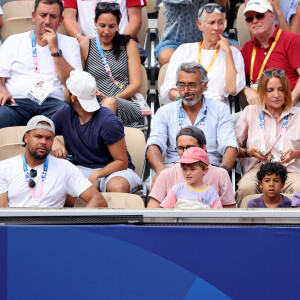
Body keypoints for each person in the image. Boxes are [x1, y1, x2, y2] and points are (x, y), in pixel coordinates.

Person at [51, 70, 142, 194]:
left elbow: (122, 162)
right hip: (82, 168)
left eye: (66, 90)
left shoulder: (108, 121)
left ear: (73, 97)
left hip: (115, 172)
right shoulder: (65, 112)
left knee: (117, 187)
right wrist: (53, 140)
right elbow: (41, 129)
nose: (64, 92)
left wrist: (97, 174)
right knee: (57, 184)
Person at [146, 62, 238, 184]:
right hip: (175, 168)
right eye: (181, 85)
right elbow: (154, 145)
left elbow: (230, 146)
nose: (186, 91)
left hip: (208, 168)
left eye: (192, 85)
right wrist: (160, 171)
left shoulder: (220, 109)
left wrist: (223, 171)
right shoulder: (165, 112)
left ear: (204, 86)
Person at [0, 0, 82, 129]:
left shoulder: (70, 43)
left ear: (60, 20)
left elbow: (73, 83)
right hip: (17, 103)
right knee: (2, 115)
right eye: (43, 15)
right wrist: (1, 89)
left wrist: (55, 51)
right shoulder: (13, 41)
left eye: (53, 16)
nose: (47, 21)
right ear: (34, 16)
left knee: (68, 116)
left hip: (53, 104)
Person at [0, 116, 107, 208]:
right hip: (17, 229)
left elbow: (98, 200)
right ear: (26, 138)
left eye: (49, 138)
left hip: (53, 229)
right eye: (38, 137)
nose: (43, 142)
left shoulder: (65, 167)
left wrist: (75, 228)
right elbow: (2, 213)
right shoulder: (5, 167)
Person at [235, 68, 300, 206]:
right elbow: (233, 148)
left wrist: (295, 154)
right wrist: (248, 152)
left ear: (287, 92)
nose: (276, 95)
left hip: (289, 170)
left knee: (299, 188)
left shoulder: (298, 114)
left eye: (281, 90)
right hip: (258, 169)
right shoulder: (250, 112)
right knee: (245, 189)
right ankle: (245, 227)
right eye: (270, 90)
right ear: (262, 92)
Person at [160, 3, 245, 106]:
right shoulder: (184, 50)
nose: (217, 28)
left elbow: (233, 89)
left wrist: (228, 52)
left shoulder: (233, 53)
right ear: (200, 25)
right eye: (212, 23)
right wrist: (193, 99)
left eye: (221, 23)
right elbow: (168, 90)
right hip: (187, 107)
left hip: (217, 111)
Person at [80, 3, 144, 127]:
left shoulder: (128, 44)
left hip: (125, 101)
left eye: (112, 26)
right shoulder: (85, 46)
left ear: (118, 24)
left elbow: (136, 85)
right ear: (95, 22)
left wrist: (112, 100)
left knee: (108, 105)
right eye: (102, 26)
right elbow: (80, 80)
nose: (106, 31)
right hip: (93, 104)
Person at [147, 126, 236, 208]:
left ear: (203, 148)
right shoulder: (166, 174)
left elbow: (229, 212)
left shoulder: (221, 174)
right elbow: (153, 211)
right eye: (180, 148)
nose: (185, 152)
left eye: (190, 147)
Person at [241, 0, 300, 106]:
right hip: (260, 110)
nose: (254, 21)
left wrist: (291, 101)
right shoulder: (247, 48)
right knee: (231, 121)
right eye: (250, 18)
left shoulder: (291, 40)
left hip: (292, 107)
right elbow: (237, 82)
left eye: (259, 16)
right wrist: (246, 89)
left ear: (272, 16)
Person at [63, 0, 147, 61]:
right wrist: (80, 38)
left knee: (137, 54)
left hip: (121, 42)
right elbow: (69, 18)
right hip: (85, 42)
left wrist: (120, 41)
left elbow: (135, 19)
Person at [155, 0, 228, 66]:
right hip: (174, 42)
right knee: (166, 56)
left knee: (235, 51)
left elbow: (221, 6)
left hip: (210, 40)